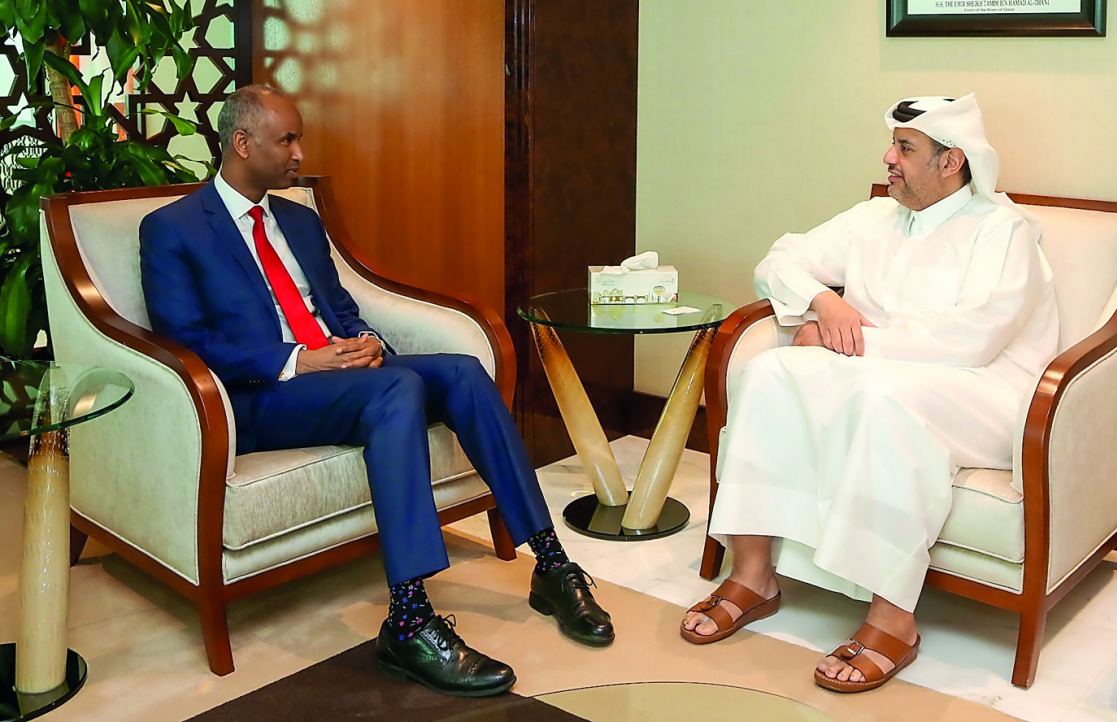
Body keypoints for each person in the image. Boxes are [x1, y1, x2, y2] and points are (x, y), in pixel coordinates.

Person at [140, 85, 614, 698]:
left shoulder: (300, 220)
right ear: (241, 143)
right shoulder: (173, 228)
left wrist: (364, 342)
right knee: (396, 392)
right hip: (259, 397)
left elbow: (338, 305)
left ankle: (549, 564)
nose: (298, 152)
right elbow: (185, 341)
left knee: (466, 370)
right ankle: (410, 620)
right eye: (287, 139)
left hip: (341, 376)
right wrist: (299, 360)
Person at [679, 94, 1060, 693]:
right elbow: (780, 259)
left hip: (987, 392)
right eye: (893, 145)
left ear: (951, 161)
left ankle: (894, 620)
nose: (889, 158)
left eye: (905, 149)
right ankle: (753, 576)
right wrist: (823, 304)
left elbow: (971, 340)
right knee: (769, 373)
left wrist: (839, 343)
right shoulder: (874, 217)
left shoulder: (1001, 230)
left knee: (882, 403)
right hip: (877, 373)